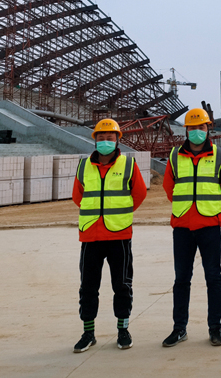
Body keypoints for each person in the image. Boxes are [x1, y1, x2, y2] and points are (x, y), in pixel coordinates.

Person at [162, 107, 221, 347]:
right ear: (186, 130)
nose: (197, 131)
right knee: (181, 279)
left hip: (209, 225)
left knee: (213, 277)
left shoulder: (220, 156)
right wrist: (185, 208)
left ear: (208, 129)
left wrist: (211, 209)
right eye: (192, 128)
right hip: (183, 226)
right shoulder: (175, 156)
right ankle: (179, 328)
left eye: (201, 127)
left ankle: (215, 328)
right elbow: (169, 187)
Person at [71, 118, 147, 353]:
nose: (105, 142)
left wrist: (119, 215)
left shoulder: (128, 165)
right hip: (91, 236)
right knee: (88, 287)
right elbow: (78, 196)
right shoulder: (84, 166)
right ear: (95, 141)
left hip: (118, 236)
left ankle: (123, 330)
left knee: (122, 285)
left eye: (110, 138)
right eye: (101, 138)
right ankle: (88, 333)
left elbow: (139, 194)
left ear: (117, 141)